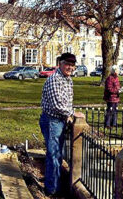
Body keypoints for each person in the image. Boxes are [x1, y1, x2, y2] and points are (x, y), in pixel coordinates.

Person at [39, 52, 84, 196]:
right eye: (67, 64)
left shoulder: (68, 80)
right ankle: (52, 189)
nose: (70, 67)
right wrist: (71, 113)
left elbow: (67, 101)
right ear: (60, 64)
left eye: (72, 65)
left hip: (60, 121)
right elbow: (58, 104)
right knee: (54, 155)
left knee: (57, 154)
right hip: (52, 121)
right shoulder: (54, 79)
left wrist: (70, 113)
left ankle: (55, 184)